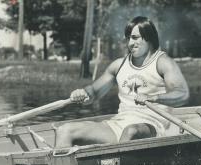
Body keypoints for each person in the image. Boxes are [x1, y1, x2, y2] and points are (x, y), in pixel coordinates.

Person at [56, 16, 189, 148]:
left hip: (152, 127)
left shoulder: (163, 63)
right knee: (65, 130)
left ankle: (114, 162)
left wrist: (152, 98)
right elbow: (94, 93)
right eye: (128, 38)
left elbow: (182, 94)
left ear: (148, 38)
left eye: (135, 37)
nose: (130, 43)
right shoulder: (118, 65)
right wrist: (83, 93)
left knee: (131, 131)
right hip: (119, 124)